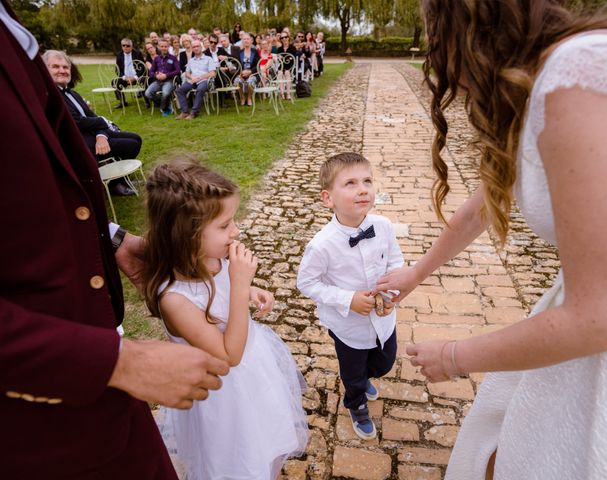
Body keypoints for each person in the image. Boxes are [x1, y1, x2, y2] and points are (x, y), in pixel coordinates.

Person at [375, 1, 607, 478]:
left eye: (436, 36)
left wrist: (456, 356)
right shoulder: (541, 85)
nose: (443, 70)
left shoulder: (580, 75)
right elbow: (481, 206)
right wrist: (416, 272)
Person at [0, 3, 229, 478]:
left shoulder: (12, 34)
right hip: (31, 417)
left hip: (101, 397)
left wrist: (112, 237)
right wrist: (115, 362)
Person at [143, 159, 308, 479]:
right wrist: (240, 284)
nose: (236, 231)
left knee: (265, 436)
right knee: (236, 455)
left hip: (255, 371)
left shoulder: (214, 259)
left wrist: (249, 290)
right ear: (185, 234)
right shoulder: (175, 299)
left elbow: (223, 290)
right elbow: (228, 355)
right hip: (222, 393)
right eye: (224, 226)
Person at [297, 153, 404, 440]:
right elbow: (306, 282)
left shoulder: (382, 226)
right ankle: (355, 402)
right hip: (348, 327)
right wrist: (348, 299)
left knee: (385, 362)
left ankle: (367, 377)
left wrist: (392, 293)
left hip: (383, 318)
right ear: (328, 198)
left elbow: (396, 262)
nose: (363, 189)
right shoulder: (321, 245)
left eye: (367, 180)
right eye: (351, 183)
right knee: (353, 373)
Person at [44, 49, 141, 196]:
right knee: (130, 145)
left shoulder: (72, 93)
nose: (62, 70)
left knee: (136, 139)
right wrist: (101, 122)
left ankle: (120, 177)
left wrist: (101, 135)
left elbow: (91, 116)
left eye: (65, 67)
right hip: (80, 142)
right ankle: (115, 184)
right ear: (45, 70)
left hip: (93, 133)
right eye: (56, 67)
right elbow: (77, 122)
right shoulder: (51, 96)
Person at [175, 39, 217, 120]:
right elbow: (187, 73)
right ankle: (185, 112)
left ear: (201, 47)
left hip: (205, 80)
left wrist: (199, 78)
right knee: (180, 90)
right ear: (192, 49)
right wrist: (191, 77)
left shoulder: (208, 59)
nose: (196, 48)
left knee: (200, 89)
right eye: (194, 47)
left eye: (197, 46)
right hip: (193, 80)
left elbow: (212, 73)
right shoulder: (191, 61)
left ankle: (194, 112)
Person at [145, 38, 180, 116]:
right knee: (147, 93)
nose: (164, 48)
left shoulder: (173, 58)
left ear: (168, 47)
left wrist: (166, 75)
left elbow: (178, 70)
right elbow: (151, 72)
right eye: (162, 46)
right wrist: (156, 75)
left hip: (169, 81)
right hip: (158, 81)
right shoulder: (156, 59)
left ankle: (165, 108)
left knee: (165, 93)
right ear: (159, 47)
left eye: (165, 46)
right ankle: (166, 103)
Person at [114, 37, 145, 108]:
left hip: (137, 77)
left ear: (131, 46)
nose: (125, 47)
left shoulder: (137, 53)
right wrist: (125, 78)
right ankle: (122, 102)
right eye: (123, 45)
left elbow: (142, 67)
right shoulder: (119, 55)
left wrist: (135, 77)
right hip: (125, 78)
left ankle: (147, 101)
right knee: (115, 82)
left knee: (145, 80)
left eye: (128, 46)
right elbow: (117, 70)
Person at [234, 33, 259, 106]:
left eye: (248, 39)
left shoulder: (255, 51)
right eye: (244, 39)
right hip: (242, 73)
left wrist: (250, 72)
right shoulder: (239, 52)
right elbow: (237, 65)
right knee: (237, 80)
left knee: (250, 81)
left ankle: (249, 98)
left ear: (251, 41)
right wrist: (241, 73)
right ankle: (242, 97)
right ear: (242, 41)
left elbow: (258, 65)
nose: (246, 40)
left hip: (253, 73)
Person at [276, 31, 296, 100]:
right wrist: (279, 58)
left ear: (288, 38)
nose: (284, 39)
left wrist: (285, 58)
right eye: (282, 38)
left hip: (291, 67)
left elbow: (292, 59)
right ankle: (282, 94)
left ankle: (288, 93)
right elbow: (279, 59)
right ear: (281, 39)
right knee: (280, 73)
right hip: (282, 66)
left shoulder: (292, 48)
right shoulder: (279, 49)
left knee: (287, 72)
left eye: (286, 37)